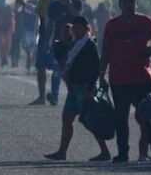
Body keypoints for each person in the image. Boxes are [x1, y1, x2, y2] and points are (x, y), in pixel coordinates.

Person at [98, 0, 151, 162]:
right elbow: (106, 50)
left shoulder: (146, 22)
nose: (129, 5)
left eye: (132, 1)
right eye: (126, 2)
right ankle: (123, 153)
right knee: (121, 119)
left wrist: (149, 50)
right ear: (120, 4)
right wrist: (101, 74)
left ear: (137, 3)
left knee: (149, 117)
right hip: (119, 79)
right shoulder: (112, 25)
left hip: (143, 77)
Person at [43, 16, 109, 161]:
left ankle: (105, 151)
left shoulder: (89, 45)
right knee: (67, 118)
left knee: (90, 120)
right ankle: (62, 152)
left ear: (86, 29)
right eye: (74, 27)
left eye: (79, 27)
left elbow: (95, 68)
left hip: (84, 88)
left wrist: (90, 88)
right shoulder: (74, 44)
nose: (76, 30)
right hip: (74, 88)